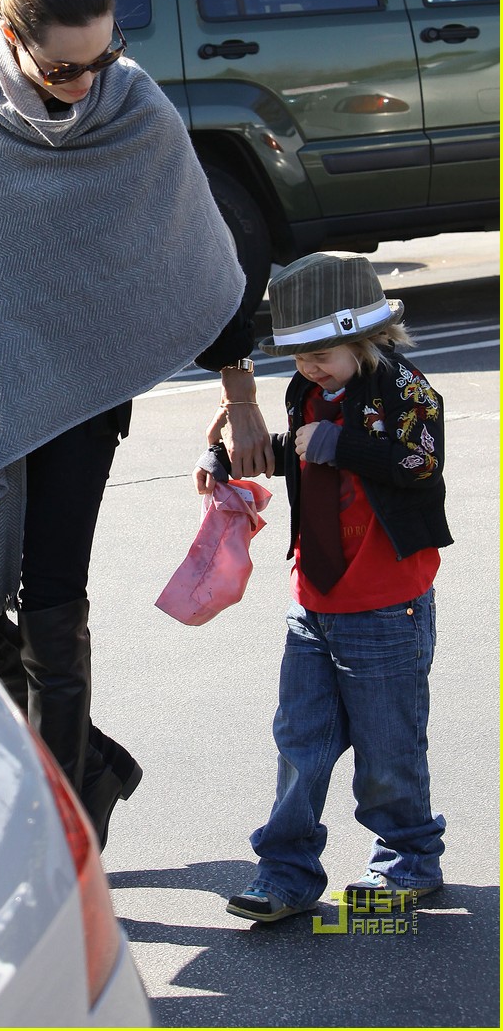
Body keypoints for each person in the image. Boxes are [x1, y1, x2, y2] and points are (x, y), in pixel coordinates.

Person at [0, 0, 271, 847]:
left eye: (103, 59)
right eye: (61, 67)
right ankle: (89, 765)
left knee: (52, 601)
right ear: (11, 34)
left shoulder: (134, 109)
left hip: (84, 401)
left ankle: (60, 838)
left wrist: (241, 392)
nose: (85, 83)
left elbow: (203, 258)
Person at [194, 252, 452, 921]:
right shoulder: (308, 393)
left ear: (369, 338)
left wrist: (336, 444)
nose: (308, 366)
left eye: (323, 352)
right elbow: (304, 453)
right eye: (298, 353)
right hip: (312, 600)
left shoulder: (404, 388)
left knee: (387, 748)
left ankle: (407, 862)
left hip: (383, 603)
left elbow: (418, 461)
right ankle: (284, 872)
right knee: (297, 744)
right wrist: (226, 461)